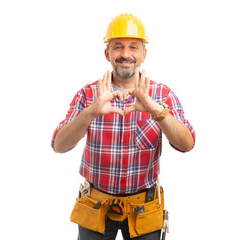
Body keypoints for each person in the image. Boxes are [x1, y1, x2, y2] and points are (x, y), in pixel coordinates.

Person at [51, 13, 195, 240]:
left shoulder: (162, 95)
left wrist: (156, 110)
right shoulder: (88, 95)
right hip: (95, 206)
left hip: (143, 209)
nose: (125, 54)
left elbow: (187, 144)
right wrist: (90, 112)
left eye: (133, 47)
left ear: (144, 54)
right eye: (118, 47)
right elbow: (59, 145)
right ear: (107, 53)